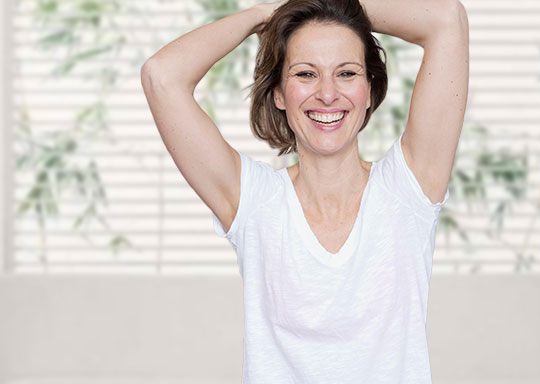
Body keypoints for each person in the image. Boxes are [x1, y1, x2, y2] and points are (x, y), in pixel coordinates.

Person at [141, 0, 468, 381]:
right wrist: (268, 15)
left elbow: (448, 20)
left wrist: (322, 5)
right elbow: (160, 76)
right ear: (279, 93)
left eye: (346, 73)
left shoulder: (408, 189)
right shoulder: (255, 201)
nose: (327, 94)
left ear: (369, 88)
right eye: (306, 74)